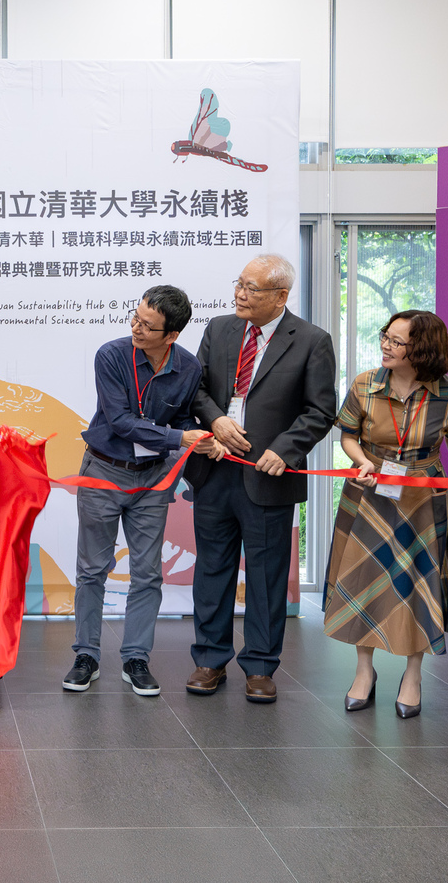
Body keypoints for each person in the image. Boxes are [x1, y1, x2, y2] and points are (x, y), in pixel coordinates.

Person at [186, 254, 338, 700]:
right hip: (215, 469)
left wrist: (284, 450)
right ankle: (209, 660)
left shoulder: (312, 340)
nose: (240, 293)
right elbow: (194, 389)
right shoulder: (219, 328)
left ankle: (260, 666)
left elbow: (320, 409)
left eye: (252, 288)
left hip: (269, 475)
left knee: (268, 575)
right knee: (212, 570)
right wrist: (214, 420)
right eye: (239, 284)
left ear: (280, 296)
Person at [64, 285, 222, 697]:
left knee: (148, 574)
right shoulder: (112, 355)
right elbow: (119, 420)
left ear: (171, 336)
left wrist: (202, 439)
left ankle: (136, 658)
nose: (135, 328)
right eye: (135, 318)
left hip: (153, 479)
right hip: (104, 471)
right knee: (92, 570)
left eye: (147, 326)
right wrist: (179, 437)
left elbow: (185, 417)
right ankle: (87, 655)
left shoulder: (188, 368)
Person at [328, 310, 448, 718]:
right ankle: (364, 672)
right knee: (363, 581)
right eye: (385, 337)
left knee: (418, 584)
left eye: (397, 341)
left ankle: (413, 674)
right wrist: (361, 462)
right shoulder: (365, 383)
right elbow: (347, 435)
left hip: (423, 495)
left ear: (423, 348)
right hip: (369, 490)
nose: (386, 345)